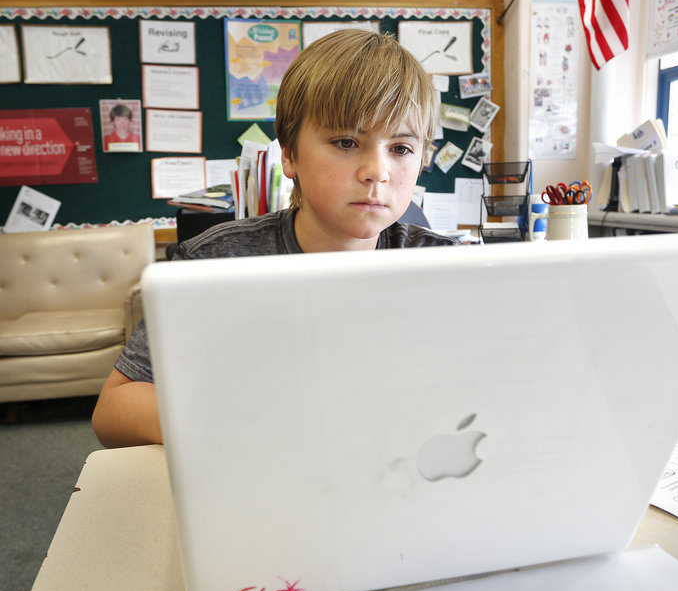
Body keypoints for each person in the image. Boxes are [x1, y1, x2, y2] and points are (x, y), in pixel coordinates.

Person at [92, 30, 459, 448]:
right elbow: (115, 410)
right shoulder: (218, 262)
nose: (378, 171)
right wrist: (255, 424)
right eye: (346, 142)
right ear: (288, 154)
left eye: (401, 148)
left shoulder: (448, 267)